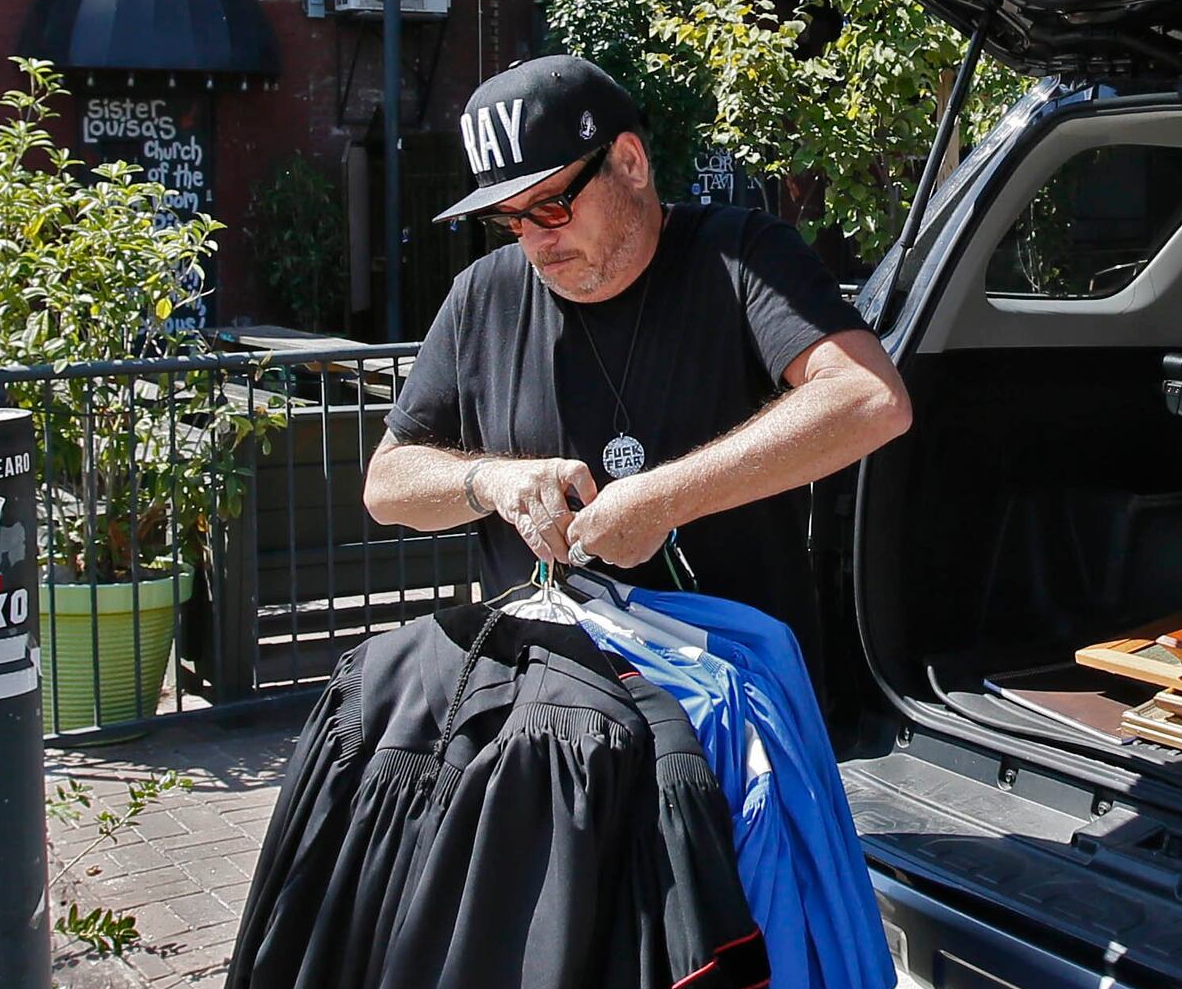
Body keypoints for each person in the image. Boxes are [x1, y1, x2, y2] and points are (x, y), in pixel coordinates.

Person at [368, 54, 910, 632]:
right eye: (509, 221)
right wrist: (490, 482)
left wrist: (668, 498)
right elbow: (386, 484)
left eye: (551, 206)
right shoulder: (482, 294)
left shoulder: (743, 255)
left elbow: (869, 397)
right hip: (554, 697)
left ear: (629, 162)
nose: (535, 240)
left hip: (728, 692)